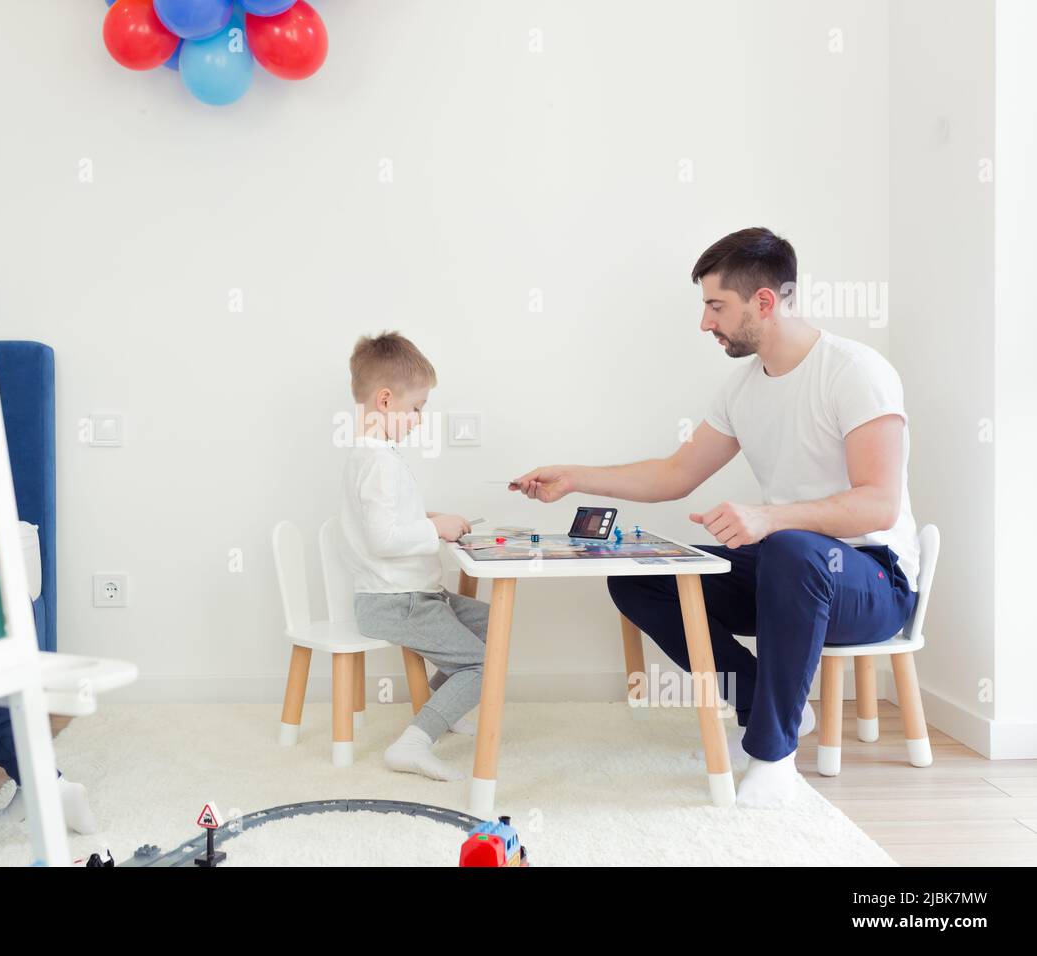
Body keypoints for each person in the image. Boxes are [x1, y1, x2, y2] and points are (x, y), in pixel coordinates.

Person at [512, 227, 919, 808]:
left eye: (715, 306)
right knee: (643, 578)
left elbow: (877, 502)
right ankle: (761, 700)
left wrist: (769, 518)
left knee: (789, 547)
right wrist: (577, 476)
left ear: (764, 302)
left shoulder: (854, 371)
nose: (706, 323)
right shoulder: (741, 389)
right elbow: (675, 474)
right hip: (789, 570)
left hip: (871, 579)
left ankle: (773, 755)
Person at [340, 331, 486, 781]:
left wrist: (428, 518)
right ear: (385, 401)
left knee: (492, 626)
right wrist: (433, 530)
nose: (420, 419)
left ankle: (441, 707)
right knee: (484, 661)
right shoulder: (378, 462)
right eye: (416, 408)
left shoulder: (373, 456)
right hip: (395, 601)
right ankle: (414, 742)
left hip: (413, 594)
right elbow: (384, 540)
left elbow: (384, 521)